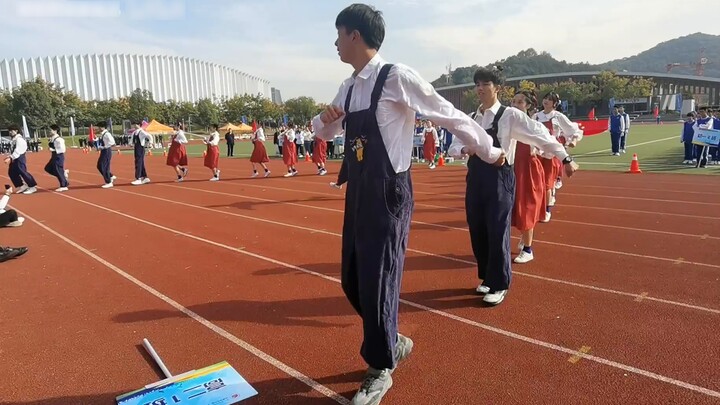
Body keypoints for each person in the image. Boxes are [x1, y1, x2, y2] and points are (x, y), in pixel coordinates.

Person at [311, 4, 504, 404]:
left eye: (338, 34)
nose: (334, 43)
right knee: (352, 278)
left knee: (379, 278)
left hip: (388, 192)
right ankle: (391, 338)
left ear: (355, 36)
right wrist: (326, 120)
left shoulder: (396, 77)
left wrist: (489, 149)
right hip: (359, 190)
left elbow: (447, 114)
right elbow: (324, 132)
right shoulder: (348, 87)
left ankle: (380, 367)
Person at [448, 67, 579, 306]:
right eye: (477, 84)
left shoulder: (510, 116)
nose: (480, 89)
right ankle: (487, 277)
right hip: (475, 177)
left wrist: (565, 158)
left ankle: (500, 284)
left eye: (485, 84)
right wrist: (464, 149)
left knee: (497, 229)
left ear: (497, 87)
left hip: (499, 177)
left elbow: (540, 135)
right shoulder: (472, 118)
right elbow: (454, 146)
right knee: (478, 229)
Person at [4, 124, 38, 195]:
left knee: (23, 172)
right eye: (9, 131)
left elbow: (18, 150)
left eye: (11, 131)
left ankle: (32, 186)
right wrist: (10, 156)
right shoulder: (14, 140)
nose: (10, 132)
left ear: (16, 131)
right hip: (15, 158)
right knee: (12, 172)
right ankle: (22, 186)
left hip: (19, 158)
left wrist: (10, 158)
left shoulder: (19, 140)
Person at [44, 124, 70, 192]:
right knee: (48, 168)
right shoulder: (53, 138)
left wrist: (53, 150)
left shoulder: (59, 139)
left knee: (58, 169)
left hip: (58, 156)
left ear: (55, 131)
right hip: (53, 156)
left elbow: (62, 149)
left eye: (50, 130)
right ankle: (63, 174)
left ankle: (64, 185)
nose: (49, 131)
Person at [96, 122, 117, 188]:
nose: (98, 129)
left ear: (102, 127)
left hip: (107, 151)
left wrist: (104, 147)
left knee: (104, 166)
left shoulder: (107, 134)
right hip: (103, 151)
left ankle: (109, 182)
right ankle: (110, 176)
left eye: (99, 127)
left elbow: (113, 142)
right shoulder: (102, 134)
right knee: (99, 165)